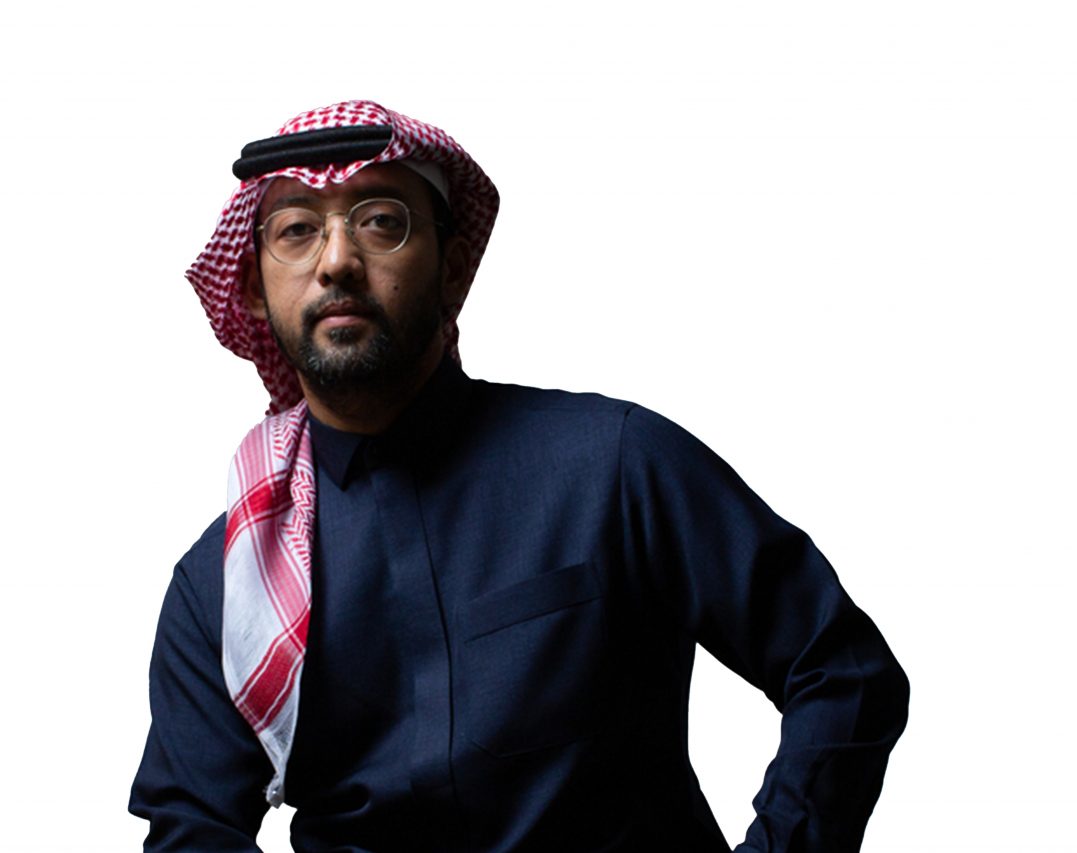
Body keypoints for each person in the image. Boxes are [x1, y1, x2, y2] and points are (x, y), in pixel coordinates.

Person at [129, 100, 910, 852]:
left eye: (381, 221)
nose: (337, 261)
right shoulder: (227, 583)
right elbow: (193, 828)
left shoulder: (615, 466)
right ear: (254, 289)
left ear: (450, 265)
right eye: (297, 230)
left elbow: (839, 668)